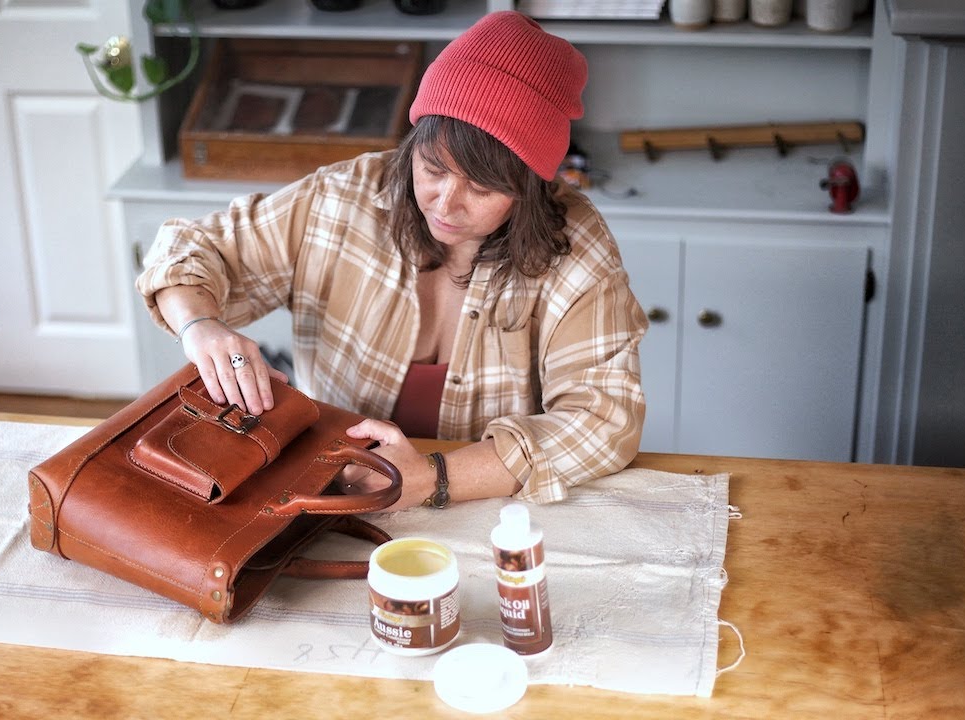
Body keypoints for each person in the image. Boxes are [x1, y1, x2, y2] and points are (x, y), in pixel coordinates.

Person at [136, 11, 646, 510]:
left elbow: (605, 420)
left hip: (485, 502)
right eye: (433, 169)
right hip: (330, 488)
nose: (445, 204)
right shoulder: (342, 199)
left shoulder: (575, 242)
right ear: (413, 146)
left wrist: (435, 477)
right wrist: (200, 323)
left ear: (530, 188)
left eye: (483, 187)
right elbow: (189, 249)